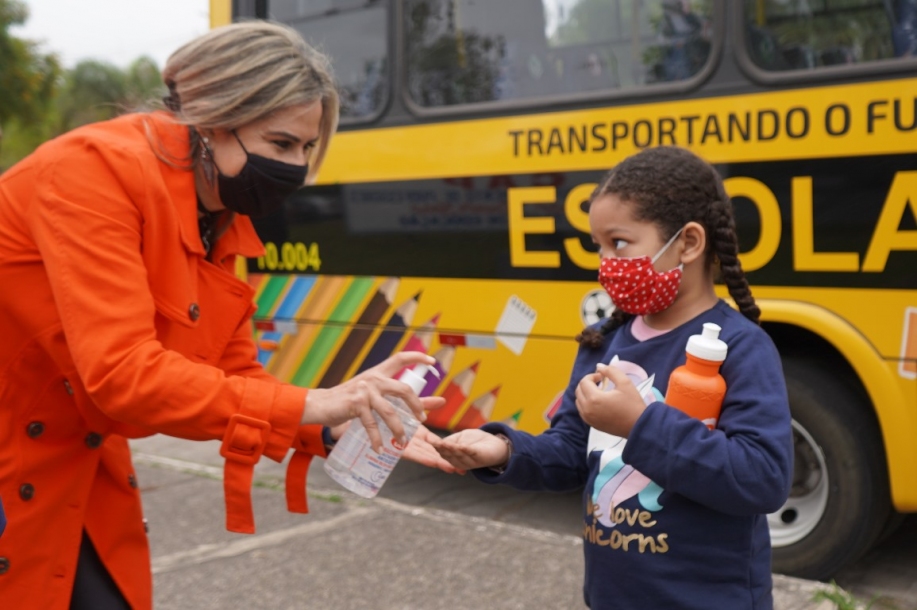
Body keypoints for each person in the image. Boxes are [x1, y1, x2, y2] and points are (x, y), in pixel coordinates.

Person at [0, 21, 451, 610]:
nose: (298, 168)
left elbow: (234, 369)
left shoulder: (219, 213)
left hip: (72, 460)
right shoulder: (93, 171)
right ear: (215, 119)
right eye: (282, 144)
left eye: (308, 148)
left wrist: (337, 420)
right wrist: (311, 403)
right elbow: (124, 375)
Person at [433, 146, 794, 610]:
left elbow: (762, 478)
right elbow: (569, 450)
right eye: (598, 246)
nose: (605, 262)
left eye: (619, 243)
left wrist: (639, 425)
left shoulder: (742, 347)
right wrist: (504, 451)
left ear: (687, 243)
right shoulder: (604, 343)